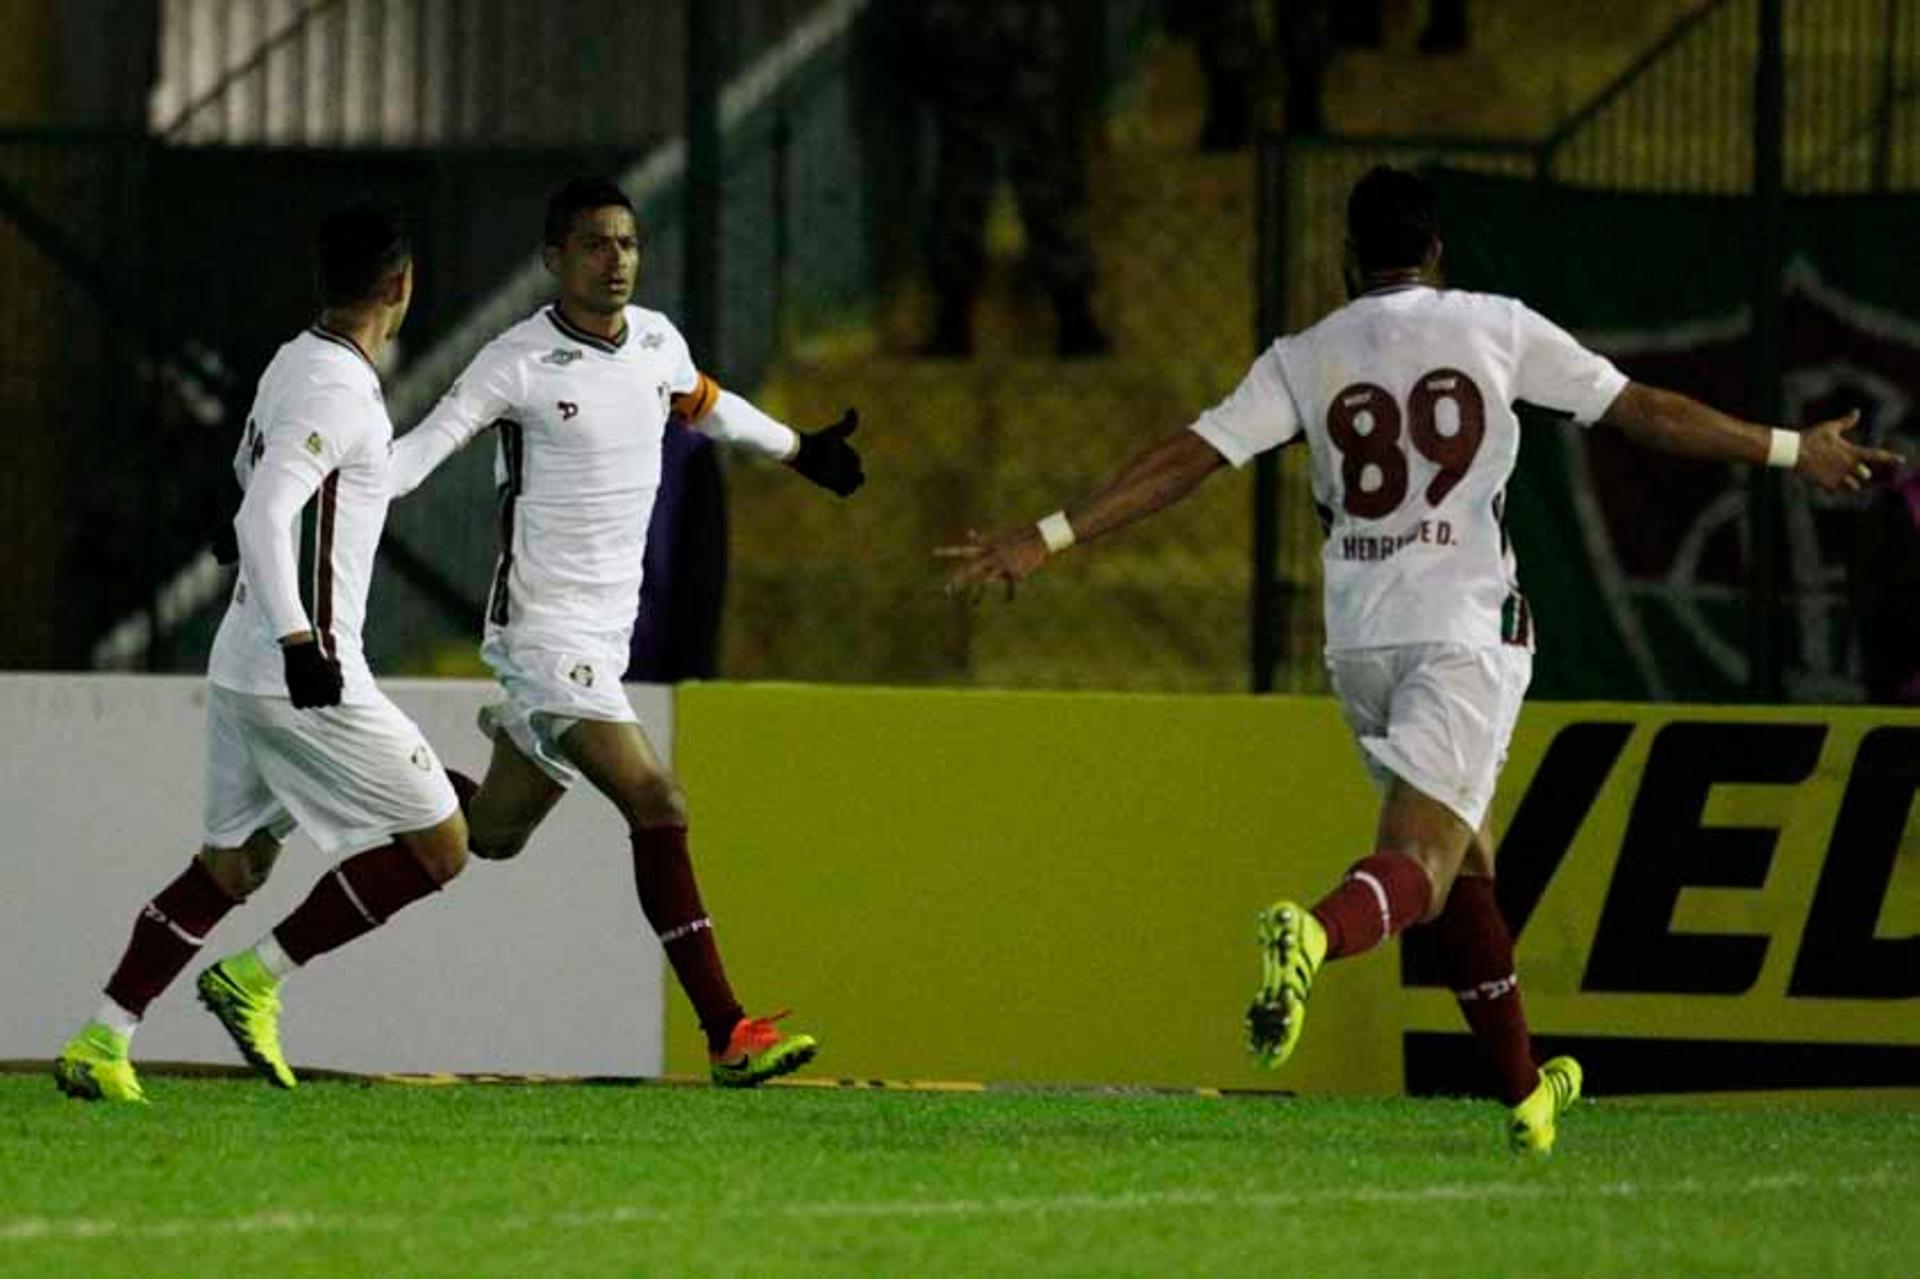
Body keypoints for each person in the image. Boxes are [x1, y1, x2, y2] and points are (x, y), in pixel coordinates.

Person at [943, 166, 1903, 1152]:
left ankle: (1526, 1092)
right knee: (1421, 865)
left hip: (1359, 641)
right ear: (1437, 252)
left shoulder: (1303, 356)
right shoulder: (1495, 325)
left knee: (1467, 857)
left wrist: (1048, 535)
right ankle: (1310, 934)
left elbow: (1190, 457)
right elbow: (1645, 409)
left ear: (1347, 258)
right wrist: (1793, 450)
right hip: (1461, 631)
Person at [388, 177, 865, 1088]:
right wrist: (322, 485)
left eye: (630, 244)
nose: (618, 261)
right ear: (555, 259)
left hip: (606, 639)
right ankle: (728, 1029)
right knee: (658, 799)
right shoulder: (516, 361)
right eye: (598, 245)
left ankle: (359, 772)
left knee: (490, 834)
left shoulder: (655, 341)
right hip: (542, 632)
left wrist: (800, 450)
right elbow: (418, 453)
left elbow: (707, 403)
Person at [54, 203, 473, 1103]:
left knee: (232, 866)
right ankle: (257, 976)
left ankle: (102, 1036)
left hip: (241, 661)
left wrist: (462, 416)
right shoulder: (337, 391)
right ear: (401, 287)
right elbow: (266, 510)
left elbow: (298, 481)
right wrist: (298, 639)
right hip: (301, 671)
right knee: (442, 844)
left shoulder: (299, 361)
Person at [911, 0, 1111, 358]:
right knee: (1029, 161)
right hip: (1010, 27)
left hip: (977, 29)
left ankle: (956, 316)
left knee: (975, 164)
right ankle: (1071, 313)